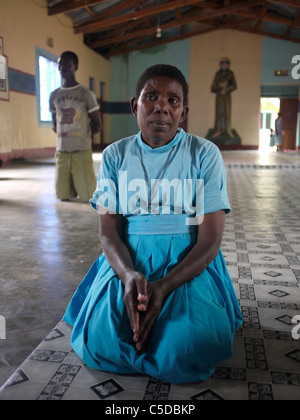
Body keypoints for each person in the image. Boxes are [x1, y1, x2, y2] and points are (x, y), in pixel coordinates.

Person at [63, 64, 243, 384]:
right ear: (136, 105)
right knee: (99, 339)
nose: (162, 106)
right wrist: (129, 274)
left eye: (173, 100)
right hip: (129, 255)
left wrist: (166, 285)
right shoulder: (115, 155)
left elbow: (209, 241)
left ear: (183, 112)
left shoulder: (204, 154)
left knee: (187, 347)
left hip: (186, 259)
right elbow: (108, 234)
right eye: (152, 97)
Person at [49, 51, 101, 202]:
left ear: (75, 66)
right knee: (63, 196)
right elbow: (55, 124)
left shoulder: (85, 94)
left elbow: (97, 125)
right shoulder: (54, 95)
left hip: (81, 150)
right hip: (62, 150)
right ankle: (69, 187)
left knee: (88, 197)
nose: (62, 68)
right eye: (60, 64)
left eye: (67, 64)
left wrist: (83, 136)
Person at [211, 58, 237, 138]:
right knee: (219, 113)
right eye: (223, 64)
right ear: (221, 65)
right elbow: (213, 88)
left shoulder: (231, 74)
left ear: (228, 65)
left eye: (226, 64)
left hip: (227, 97)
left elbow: (234, 86)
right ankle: (218, 130)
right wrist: (220, 86)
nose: (224, 66)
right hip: (219, 96)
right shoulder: (217, 74)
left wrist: (226, 89)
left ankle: (228, 130)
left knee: (227, 112)